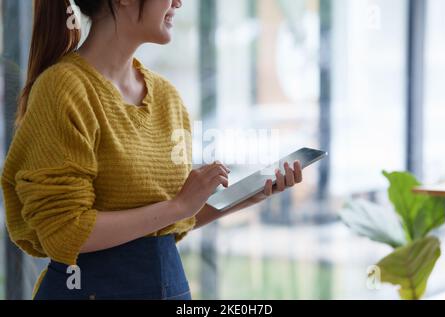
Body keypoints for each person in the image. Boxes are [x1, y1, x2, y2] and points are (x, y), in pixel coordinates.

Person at [1, 0, 303, 300]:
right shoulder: (63, 88)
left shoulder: (166, 97)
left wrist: (253, 192)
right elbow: (64, 232)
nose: (178, 2)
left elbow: (165, 222)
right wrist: (179, 206)